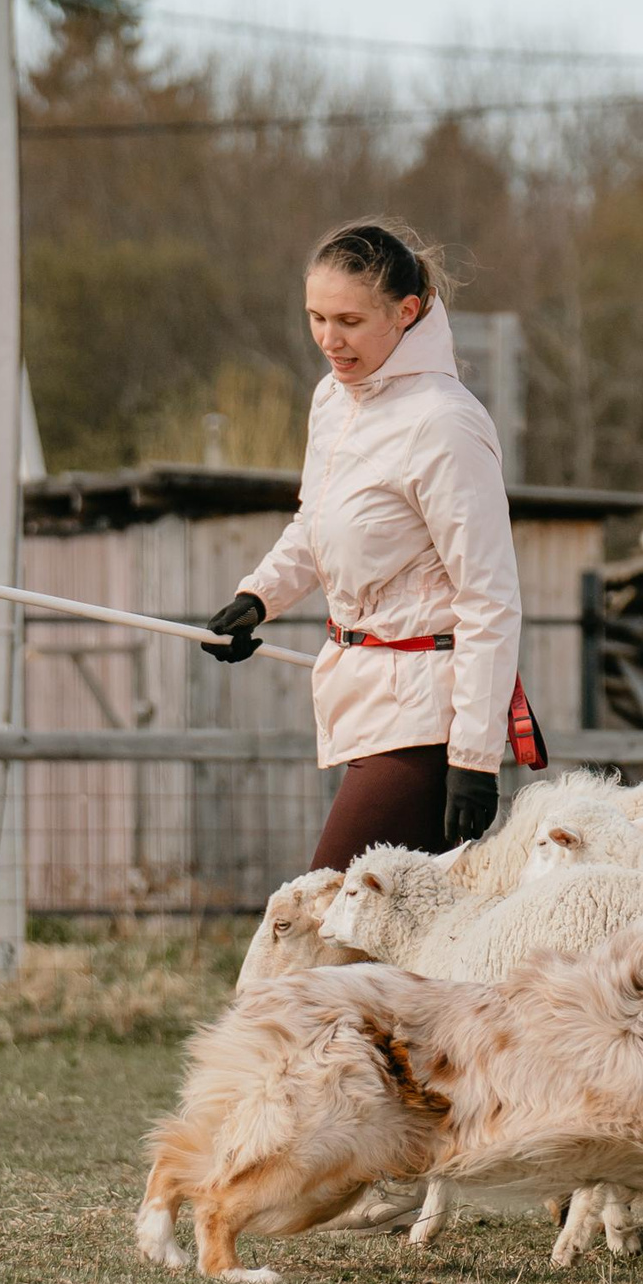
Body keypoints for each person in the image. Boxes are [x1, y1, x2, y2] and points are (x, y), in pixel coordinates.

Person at [200, 219, 523, 864]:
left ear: (406, 312)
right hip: (363, 701)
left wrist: (474, 759)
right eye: (315, 317)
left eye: (348, 320)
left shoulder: (445, 423)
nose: (328, 339)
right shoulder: (333, 400)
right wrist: (259, 597)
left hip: (429, 720)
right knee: (382, 946)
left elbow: (489, 597)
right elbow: (315, 527)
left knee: (319, 921)